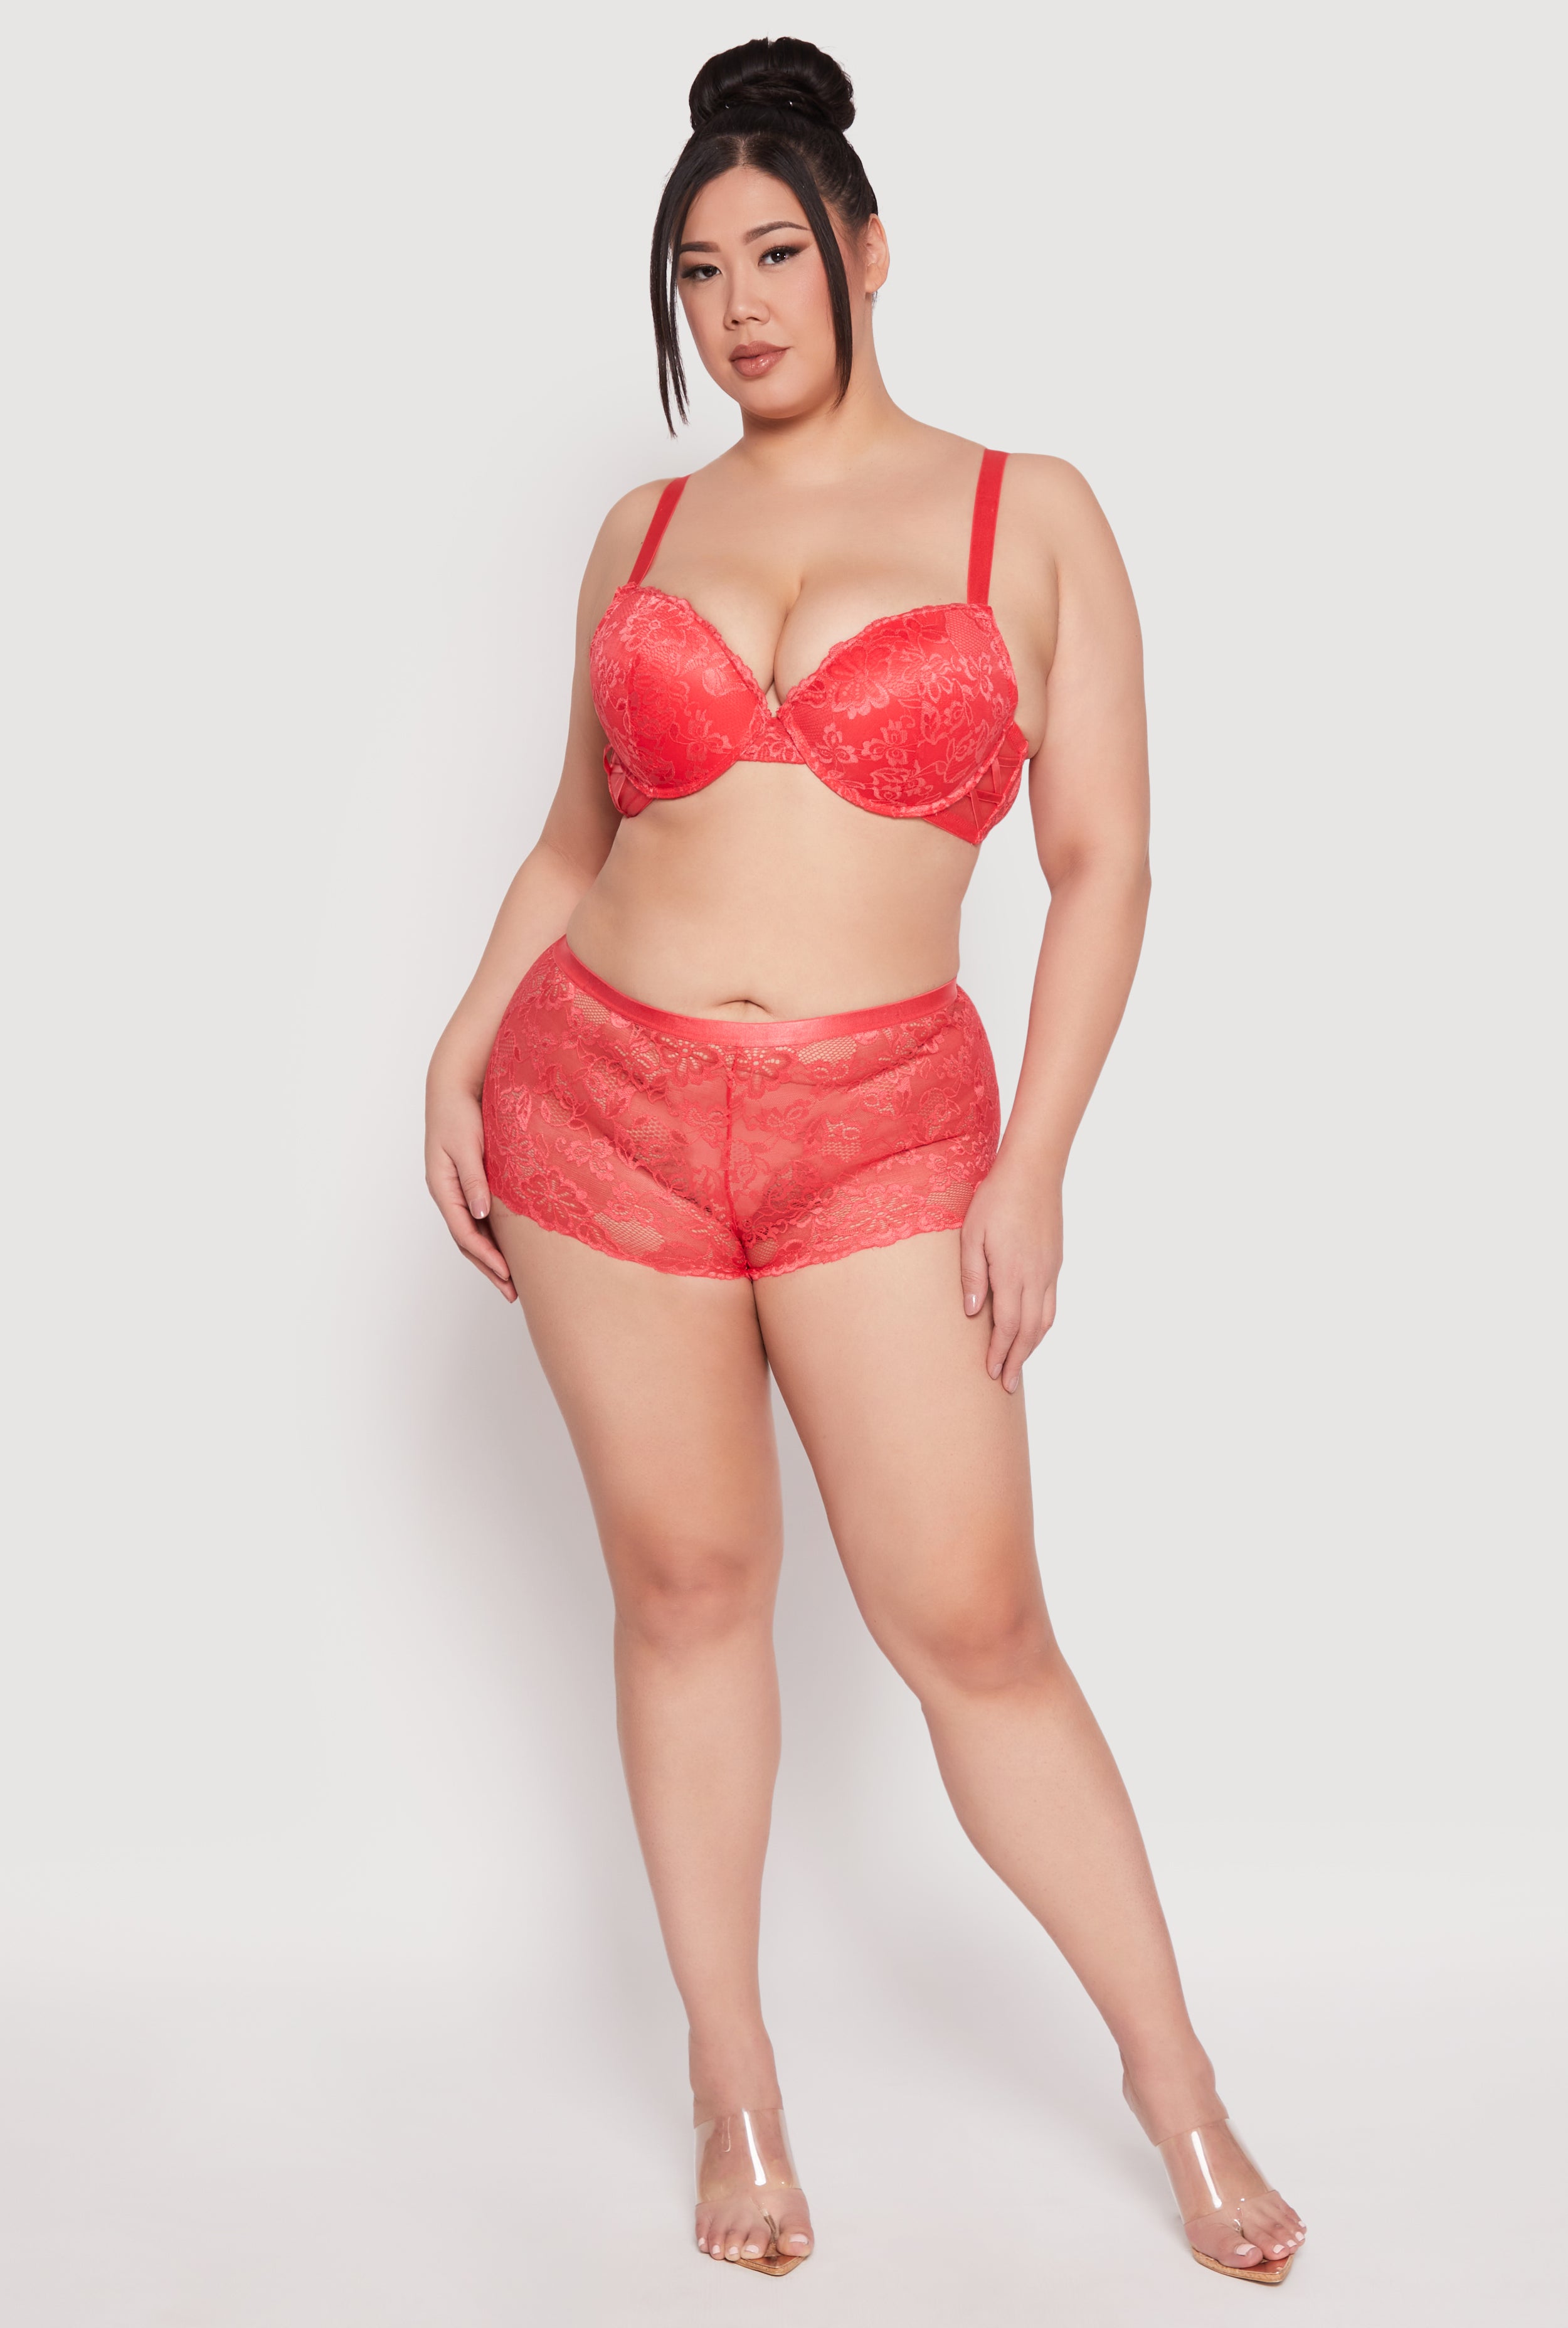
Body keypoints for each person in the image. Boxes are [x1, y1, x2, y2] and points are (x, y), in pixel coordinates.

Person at [424, 35, 1306, 2285]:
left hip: (886, 1128)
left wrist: (1035, 1168)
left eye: (774, 256)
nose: (736, 307)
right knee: (685, 1591)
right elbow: (575, 840)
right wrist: (461, 1044)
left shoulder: (1030, 513)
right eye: (695, 272)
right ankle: (732, 2083)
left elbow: (1104, 866)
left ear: (867, 252)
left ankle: (1181, 2096)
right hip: (597, 1099)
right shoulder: (642, 531)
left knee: (973, 1628)